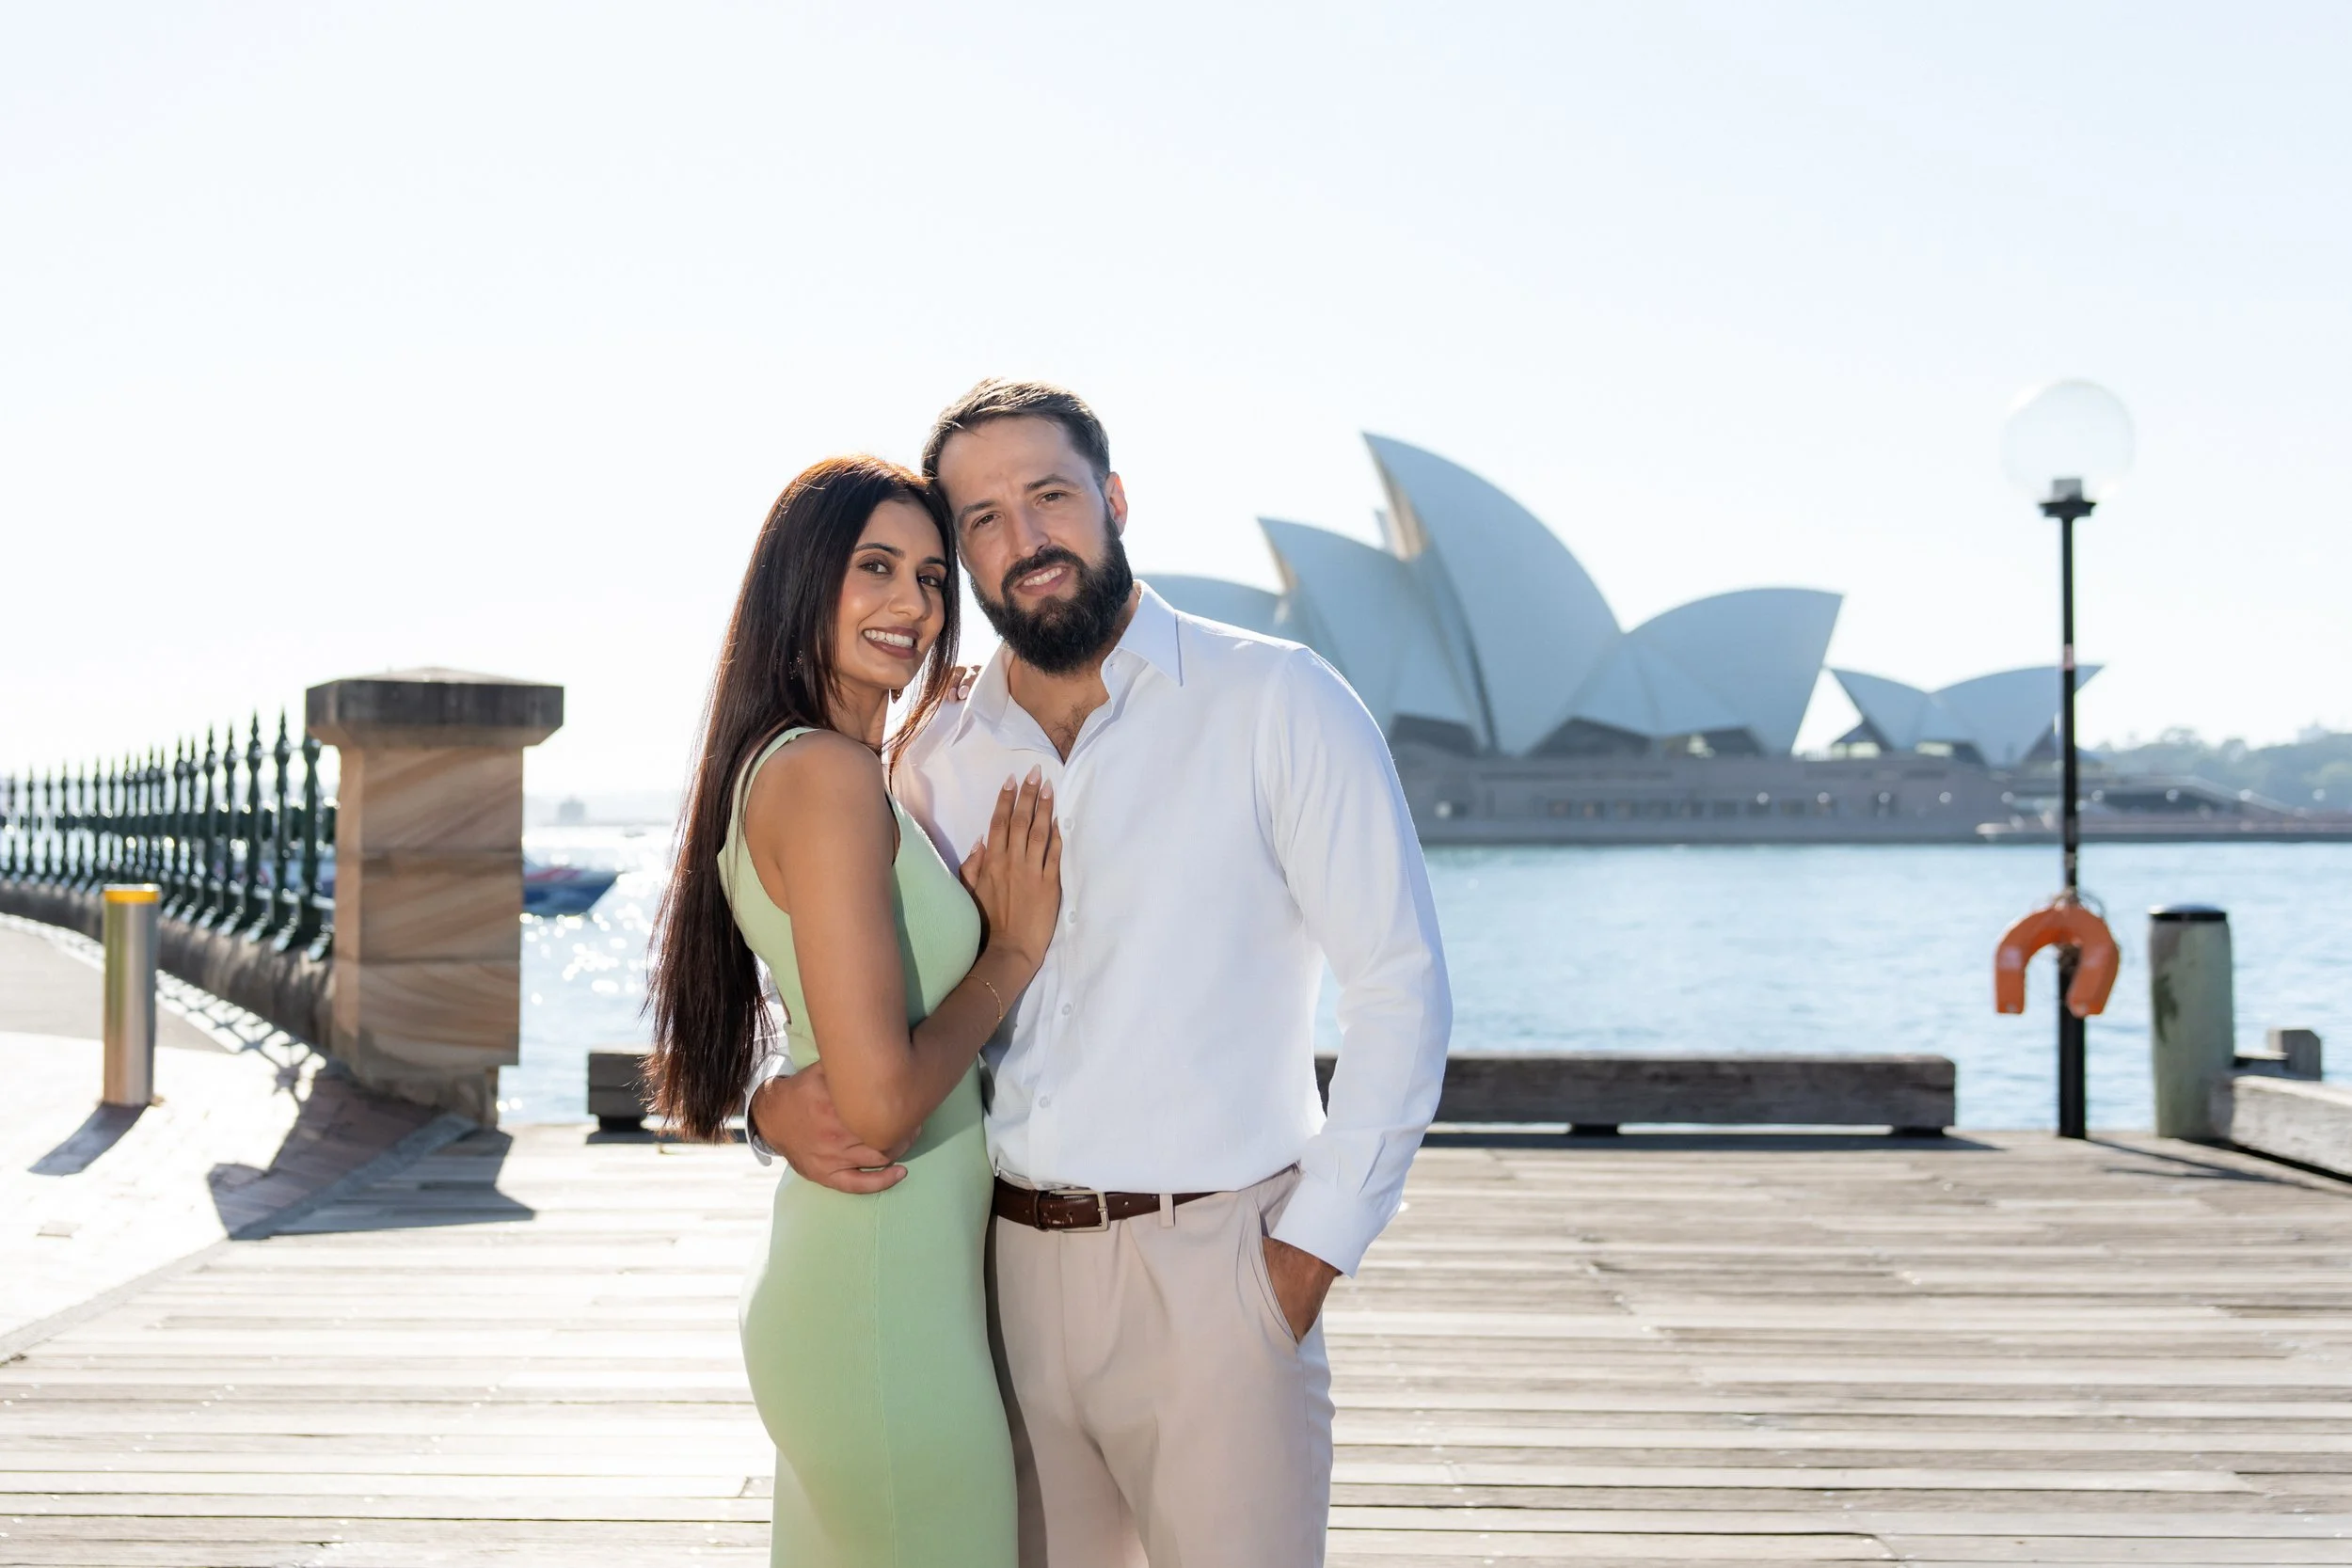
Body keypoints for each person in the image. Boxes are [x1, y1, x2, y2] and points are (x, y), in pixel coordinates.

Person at [755, 383, 1453, 1567]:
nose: (1021, 541)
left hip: (1220, 1276)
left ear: (1112, 500)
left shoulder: (1274, 701)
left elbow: (1399, 985)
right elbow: (824, 982)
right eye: (980, 519)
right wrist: (770, 1103)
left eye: (1047, 497)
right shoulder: (935, 755)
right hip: (995, 1283)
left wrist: (1303, 1259)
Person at [645, 454, 1059, 1567]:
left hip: (870, 1304)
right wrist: (1011, 948)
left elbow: (839, 1032)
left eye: (932, 578)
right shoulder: (825, 776)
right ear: (801, 580)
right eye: (874, 567)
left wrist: (769, 1102)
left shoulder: (812, 769)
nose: (914, 606)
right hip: (884, 1324)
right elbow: (879, 1103)